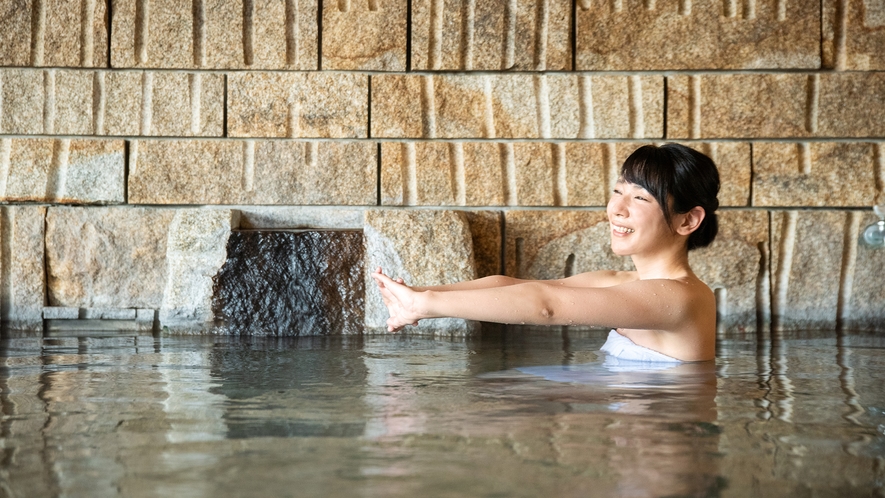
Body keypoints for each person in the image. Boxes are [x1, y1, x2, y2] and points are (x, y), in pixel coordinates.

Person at [372, 143, 721, 362]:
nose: (617, 208)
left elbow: (546, 305)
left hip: (665, 465)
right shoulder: (620, 281)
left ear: (688, 220)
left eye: (640, 197)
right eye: (618, 191)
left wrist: (428, 306)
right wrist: (416, 296)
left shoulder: (679, 297)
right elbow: (513, 284)